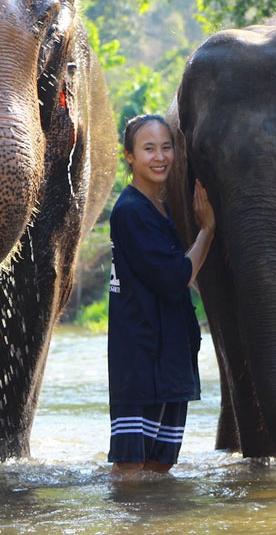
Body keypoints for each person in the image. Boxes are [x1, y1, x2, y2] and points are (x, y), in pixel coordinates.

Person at [107, 114, 215, 476]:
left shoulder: (161, 207)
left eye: (166, 148)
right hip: (140, 358)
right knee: (130, 467)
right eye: (148, 148)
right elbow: (176, 278)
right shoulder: (130, 211)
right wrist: (208, 232)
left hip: (168, 355)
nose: (159, 157)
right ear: (129, 157)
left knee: (160, 465)